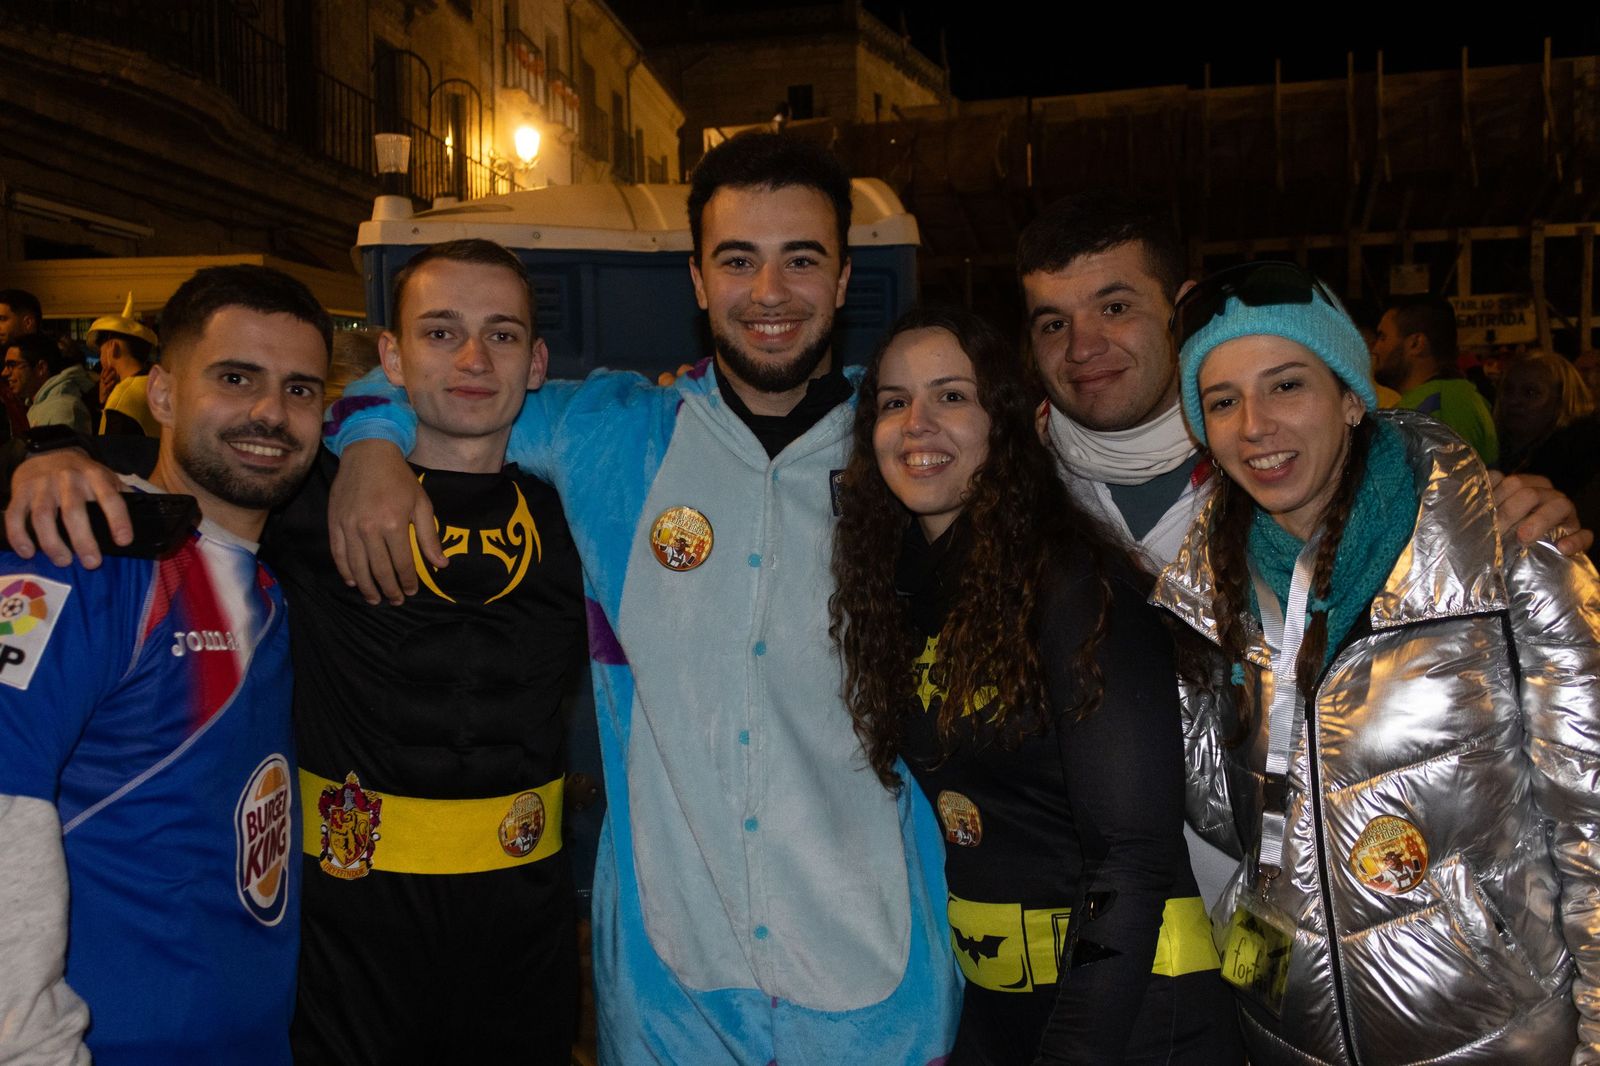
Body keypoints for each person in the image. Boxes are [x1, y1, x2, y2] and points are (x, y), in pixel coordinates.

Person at [312, 133, 959, 1064]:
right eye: (738, 261)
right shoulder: (610, 434)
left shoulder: (907, 447)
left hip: (879, 984)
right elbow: (444, 377)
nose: (769, 293)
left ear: (845, 277)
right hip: (672, 997)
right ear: (697, 280)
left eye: (801, 259)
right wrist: (372, 442)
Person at [1, 240, 588, 1063]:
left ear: (537, 362)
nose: (472, 359)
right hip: (343, 947)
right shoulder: (300, 501)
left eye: (502, 335)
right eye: (440, 331)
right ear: (391, 355)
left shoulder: (584, 509)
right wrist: (52, 455)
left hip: (519, 931)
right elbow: (197, 468)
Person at [1015, 192, 1591, 906]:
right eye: (1052, 322)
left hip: (1396, 957)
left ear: (1181, 308)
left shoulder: (1416, 511)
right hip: (1180, 955)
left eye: (1114, 307)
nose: (1083, 346)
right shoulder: (1010, 496)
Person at [1153, 260, 1600, 1064]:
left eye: (1286, 385)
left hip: (1492, 1036)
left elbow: (1591, 822)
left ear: (1352, 397)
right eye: (1222, 401)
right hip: (1288, 1033)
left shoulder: (1507, 554)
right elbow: (1223, 815)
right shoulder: (1204, 593)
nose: (1254, 425)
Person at [830, 305, 1242, 1064]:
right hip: (1005, 1009)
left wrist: (1074, 1051)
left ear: (1006, 424)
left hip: (1137, 1014)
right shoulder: (904, 590)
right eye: (894, 402)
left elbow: (1133, 855)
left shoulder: (1072, 585)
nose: (917, 423)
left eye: (952, 396)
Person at [0, 264, 330, 1064]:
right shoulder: (79, 559)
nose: (270, 412)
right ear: (164, 395)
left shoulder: (268, 579)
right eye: (235, 377)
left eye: (300, 389)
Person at [1369, 293, 1498, 462]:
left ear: (1416, 344)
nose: (1375, 348)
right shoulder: (1454, 396)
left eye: (1383, 337)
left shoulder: (1438, 407)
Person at [90, 294, 161, 437]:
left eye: (101, 352)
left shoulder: (122, 398)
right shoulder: (159, 384)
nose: (101, 360)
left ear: (113, 347)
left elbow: (112, 454)